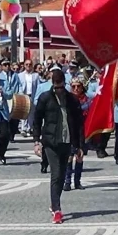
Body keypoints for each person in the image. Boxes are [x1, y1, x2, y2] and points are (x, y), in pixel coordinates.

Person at [33, 71, 84, 224]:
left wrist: (80, 146)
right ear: (53, 85)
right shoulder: (45, 98)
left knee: (62, 174)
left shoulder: (72, 100)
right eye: (56, 88)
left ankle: (54, 202)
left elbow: (79, 124)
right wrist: (36, 141)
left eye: (61, 88)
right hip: (50, 142)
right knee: (55, 173)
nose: (59, 91)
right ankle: (57, 209)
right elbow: (37, 120)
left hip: (66, 141)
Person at [63, 77, 91, 191]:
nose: (75, 88)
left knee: (79, 156)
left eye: (78, 86)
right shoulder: (67, 99)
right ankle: (67, 181)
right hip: (70, 130)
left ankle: (77, 181)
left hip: (82, 130)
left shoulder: (87, 100)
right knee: (69, 157)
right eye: (73, 86)